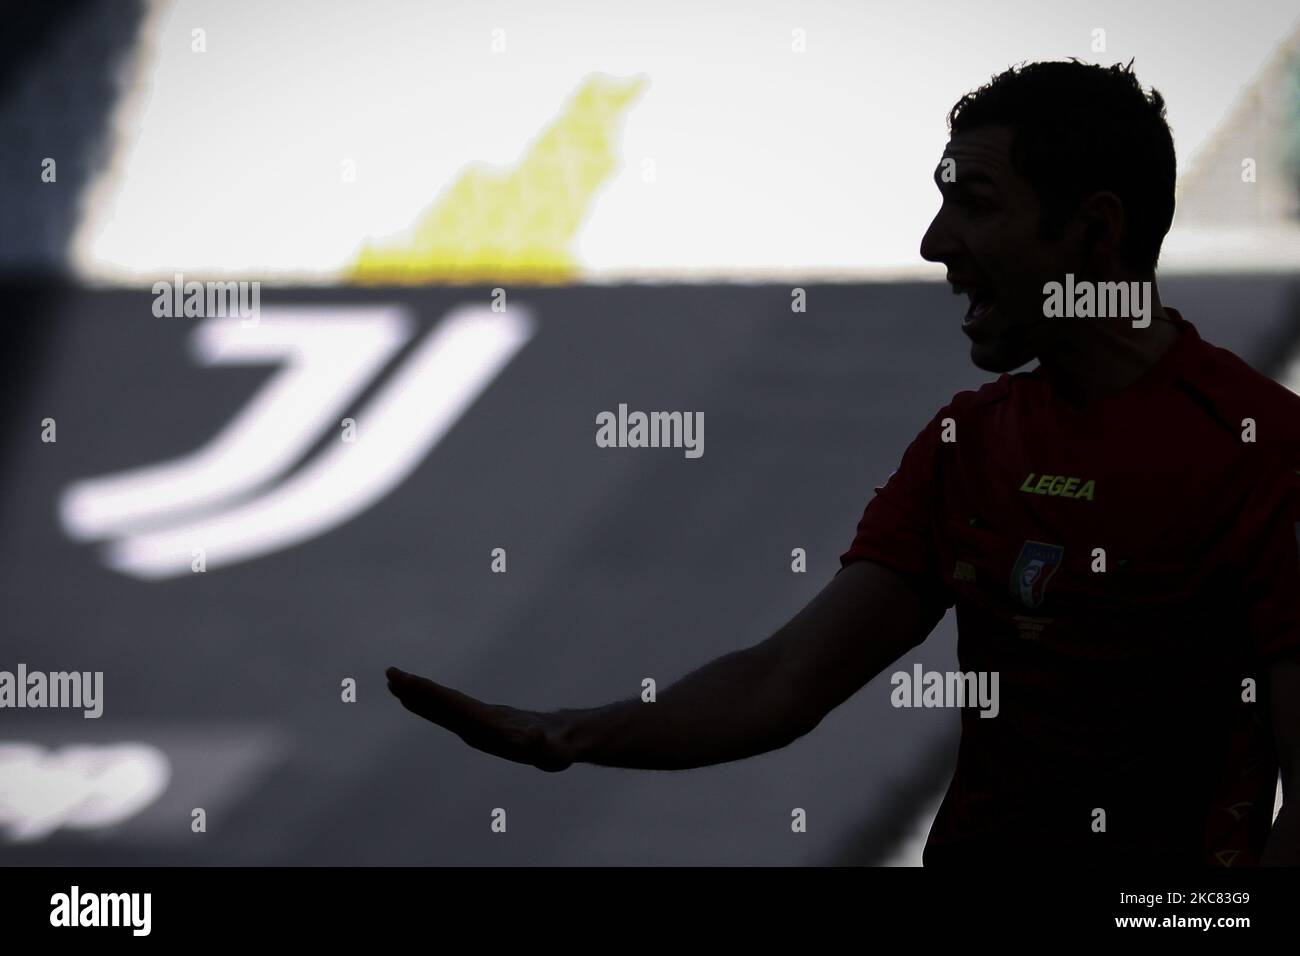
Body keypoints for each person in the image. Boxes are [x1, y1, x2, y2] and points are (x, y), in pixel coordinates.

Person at [387, 59, 1299, 866]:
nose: (934, 244)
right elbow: (784, 684)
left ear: (1096, 232)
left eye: (974, 205)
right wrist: (575, 731)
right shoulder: (969, 440)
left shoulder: (1262, 453)